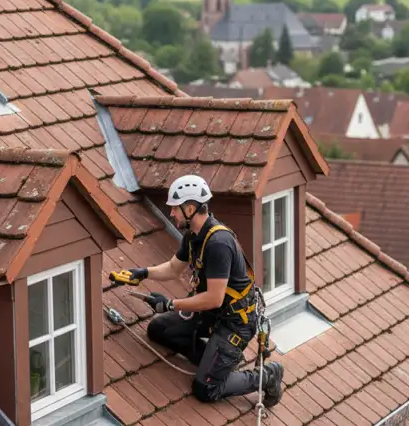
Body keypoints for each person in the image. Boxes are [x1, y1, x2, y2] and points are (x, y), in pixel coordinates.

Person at [110, 174, 284, 406]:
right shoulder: (193, 236)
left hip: (235, 322)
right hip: (212, 314)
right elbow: (173, 268)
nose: (171, 213)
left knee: (206, 388)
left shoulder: (218, 243)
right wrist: (143, 273)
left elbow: (214, 297)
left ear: (190, 208)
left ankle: (267, 376)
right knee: (159, 329)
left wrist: (171, 304)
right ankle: (217, 360)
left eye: (175, 209)